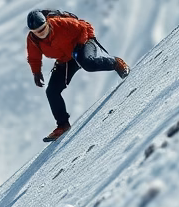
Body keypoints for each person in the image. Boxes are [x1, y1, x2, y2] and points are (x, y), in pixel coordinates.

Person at [25, 10, 129, 142]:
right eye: (36, 32)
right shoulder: (33, 40)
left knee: (88, 63)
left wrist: (81, 44)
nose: (40, 33)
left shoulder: (60, 24)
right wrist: (36, 72)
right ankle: (62, 125)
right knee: (52, 91)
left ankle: (115, 63)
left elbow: (84, 27)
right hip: (66, 58)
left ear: (47, 23)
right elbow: (34, 57)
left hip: (83, 41)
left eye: (42, 29)